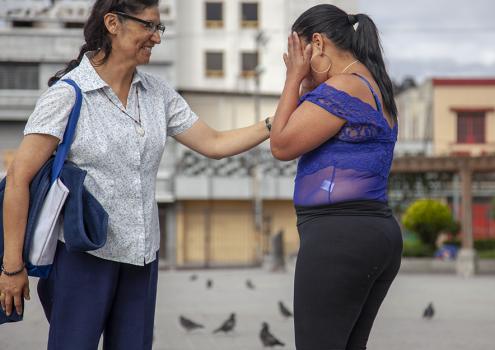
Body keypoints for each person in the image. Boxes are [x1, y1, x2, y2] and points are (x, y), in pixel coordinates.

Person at [0, 0, 271, 348]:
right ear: (113, 23)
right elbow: (19, 179)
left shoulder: (158, 94)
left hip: (142, 258)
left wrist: (271, 125)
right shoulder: (68, 94)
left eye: (159, 28)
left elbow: (215, 143)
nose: (156, 37)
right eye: (149, 26)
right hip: (84, 256)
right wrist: (11, 268)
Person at [269, 4, 403, 349]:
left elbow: (282, 144)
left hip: (339, 238)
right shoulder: (373, 84)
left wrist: (293, 78)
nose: (296, 62)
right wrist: (308, 84)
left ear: (317, 43)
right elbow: (299, 127)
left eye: (299, 53)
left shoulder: (344, 86)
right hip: (372, 232)